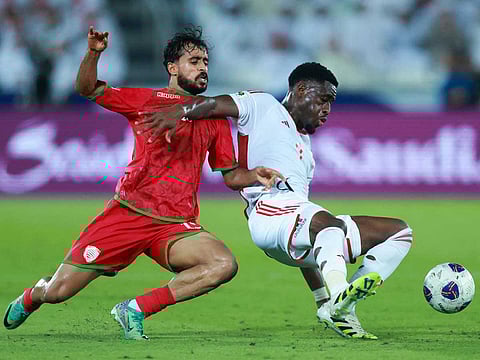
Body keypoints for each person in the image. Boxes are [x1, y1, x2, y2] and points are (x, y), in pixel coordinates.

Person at [3, 26, 283, 340]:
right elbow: (87, 89)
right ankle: (33, 295)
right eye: (194, 60)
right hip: (128, 214)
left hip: (175, 224)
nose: (203, 67)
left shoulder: (214, 117)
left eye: (205, 61)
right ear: (172, 68)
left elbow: (231, 175)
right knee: (58, 292)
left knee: (222, 264)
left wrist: (255, 174)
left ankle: (135, 308)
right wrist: (94, 53)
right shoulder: (146, 100)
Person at [136, 62, 413, 339]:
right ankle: (341, 295)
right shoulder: (263, 105)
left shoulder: (306, 153)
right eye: (323, 99)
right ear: (301, 89)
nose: (327, 109)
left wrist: (320, 298)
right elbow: (212, 105)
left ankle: (338, 304)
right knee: (326, 224)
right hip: (266, 211)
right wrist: (180, 112)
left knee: (398, 232)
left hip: (290, 224)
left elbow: (310, 230)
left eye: (331, 103)